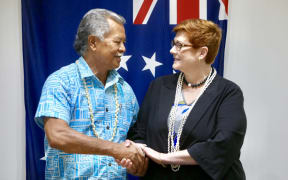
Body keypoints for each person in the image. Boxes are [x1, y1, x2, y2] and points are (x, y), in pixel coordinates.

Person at [120, 19, 247, 179]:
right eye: (174, 44)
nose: (172, 50)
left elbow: (225, 144)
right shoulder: (158, 86)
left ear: (202, 53)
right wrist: (138, 156)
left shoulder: (228, 93)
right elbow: (139, 133)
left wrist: (162, 157)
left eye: (180, 45)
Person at [35, 8, 145, 179]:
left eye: (124, 42)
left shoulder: (125, 90)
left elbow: (135, 142)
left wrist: (138, 164)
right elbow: (57, 135)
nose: (123, 48)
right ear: (93, 42)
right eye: (117, 41)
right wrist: (115, 149)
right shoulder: (61, 81)